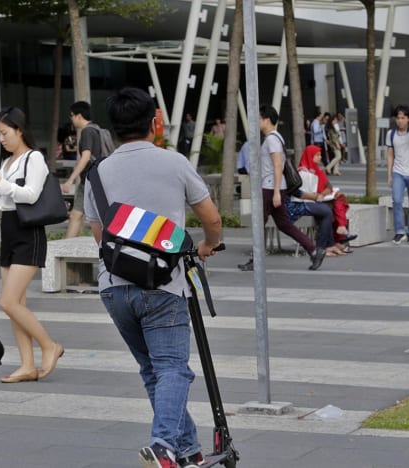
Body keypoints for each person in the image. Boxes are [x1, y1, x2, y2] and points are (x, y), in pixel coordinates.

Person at [83, 87, 222, 468]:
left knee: (153, 372)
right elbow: (211, 218)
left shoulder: (97, 172)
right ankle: (163, 445)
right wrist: (210, 245)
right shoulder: (173, 163)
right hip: (163, 286)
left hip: (114, 288)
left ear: (112, 130)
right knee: (173, 369)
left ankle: (189, 450)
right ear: (153, 123)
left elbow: (100, 236)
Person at [0, 106, 64, 383]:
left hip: (28, 232)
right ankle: (27, 365)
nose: (1, 138)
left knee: (8, 302)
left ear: (19, 130)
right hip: (9, 231)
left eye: (4, 132)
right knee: (17, 303)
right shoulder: (8, 162)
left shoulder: (33, 158)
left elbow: (30, 194)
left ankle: (50, 345)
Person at [239, 105, 326, 271]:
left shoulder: (272, 139)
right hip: (273, 187)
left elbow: (278, 165)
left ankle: (256, 260)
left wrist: (277, 192)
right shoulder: (276, 137)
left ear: (266, 119)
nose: (257, 122)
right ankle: (314, 250)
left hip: (270, 188)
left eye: (259, 119)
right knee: (284, 224)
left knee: (259, 223)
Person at [286, 145, 356, 257]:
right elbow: (302, 194)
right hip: (304, 203)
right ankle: (331, 242)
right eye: (317, 155)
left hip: (317, 200)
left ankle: (334, 241)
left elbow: (329, 186)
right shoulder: (302, 172)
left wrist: (322, 194)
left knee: (338, 199)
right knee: (330, 209)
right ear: (310, 156)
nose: (320, 157)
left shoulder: (318, 170)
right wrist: (317, 196)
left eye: (320, 155)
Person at [63, 101, 111, 238]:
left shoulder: (87, 132)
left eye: (72, 115)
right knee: (79, 216)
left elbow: (85, 156)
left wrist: (70, 180)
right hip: (98, 179)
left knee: (76, 216)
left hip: (89, 181)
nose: (71, 119)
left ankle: (67, 250)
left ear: (79, 116)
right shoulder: (96, 129)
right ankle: (71, 248)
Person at [386, 105, 409, 245]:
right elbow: (390, 155)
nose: (400, 121)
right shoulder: (391, 134)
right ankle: (399, 232)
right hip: (398, 172)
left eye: (403, 118)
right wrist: (389, 175)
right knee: (397, 201)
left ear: (408, 118)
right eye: (398, 118)